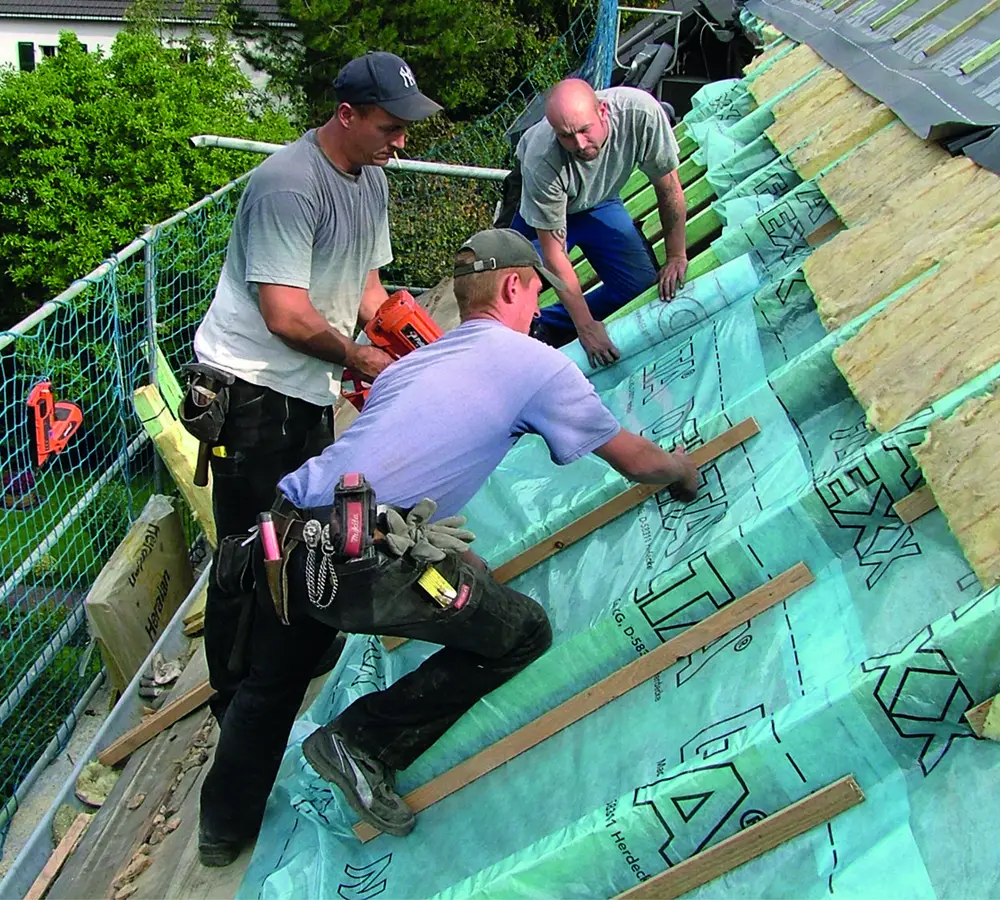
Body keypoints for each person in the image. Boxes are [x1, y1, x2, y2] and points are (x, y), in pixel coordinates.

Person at [196, 229, 702, 863]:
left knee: (273, 682)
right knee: (519, 632)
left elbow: (411, 467)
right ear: (515, 285)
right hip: (363, 559)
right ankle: (361, 743)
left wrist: (457, 563)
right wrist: (681, 469)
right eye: (536, 290)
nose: (535, 303)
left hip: (286, 530)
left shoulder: (416, 364)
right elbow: (634, 460)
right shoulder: (536, 365)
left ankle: (221, 833)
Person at [187, 51, 443, 721]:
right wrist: (361, 362)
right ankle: (232, 695)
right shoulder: (288, 186)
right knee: (249, 544)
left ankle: (294, 643)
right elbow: (285, 315)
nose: (401, 142)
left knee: (302, 523)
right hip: (249, 391)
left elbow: (365, 286)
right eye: (390, 127)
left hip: (304, 386)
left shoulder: (369, 180)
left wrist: (399, 342)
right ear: (348, 114)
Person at [512, 78, 689, 368]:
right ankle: (538, 330)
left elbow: (668, 188)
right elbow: (555, 254)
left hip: (600, 201)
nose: (579, 144)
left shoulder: (641, 115)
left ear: (603, 111)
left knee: (639, 285)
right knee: (513, 292)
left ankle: (554, 322)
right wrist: (585, 327)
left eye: (584, 130)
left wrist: (676, 255)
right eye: (567, 136)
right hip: (543, 214)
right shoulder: (542, 158)